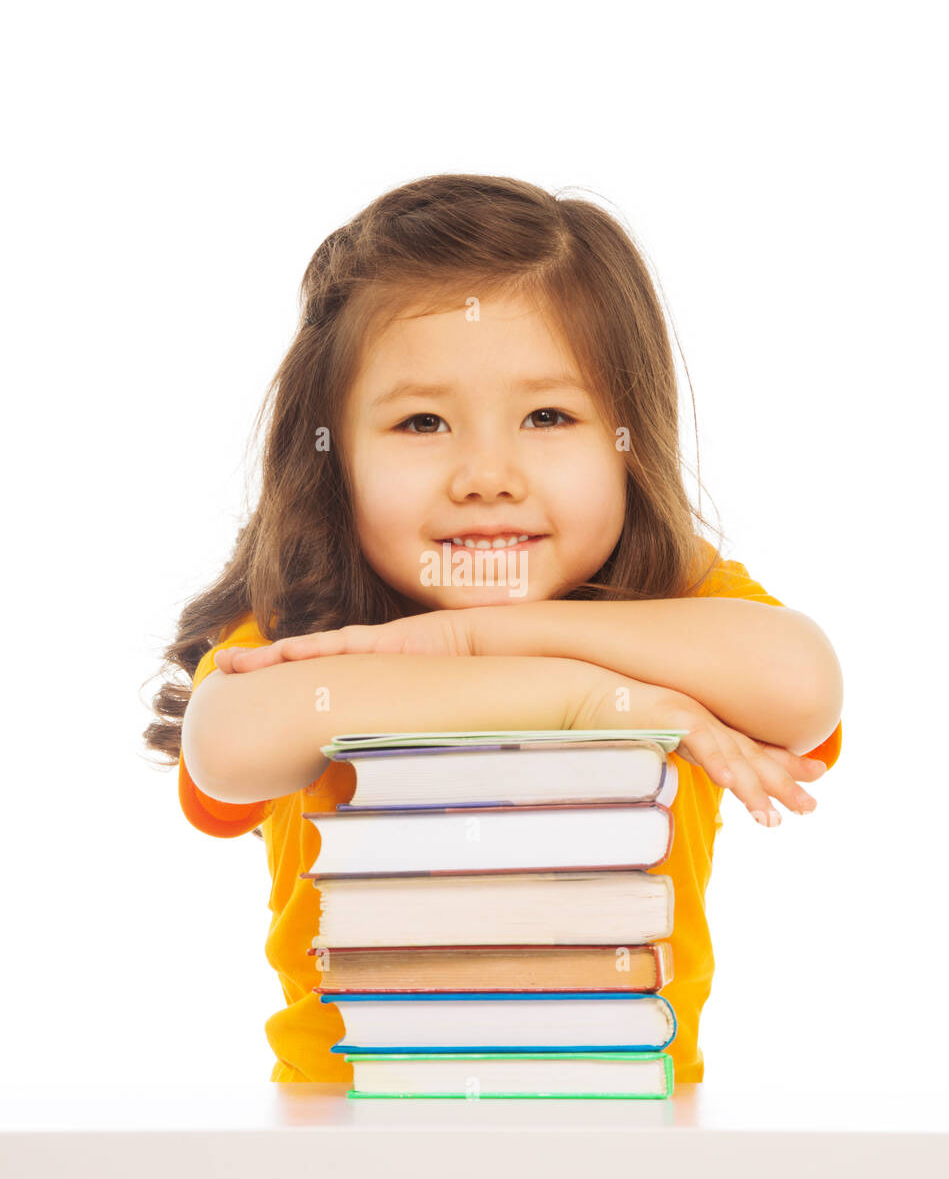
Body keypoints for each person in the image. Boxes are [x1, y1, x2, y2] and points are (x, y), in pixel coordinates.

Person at [143, 173, 843, 1085]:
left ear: (630, 441)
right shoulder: (299, 629)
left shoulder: (674, 596)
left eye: (548, 415)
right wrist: (587, 695)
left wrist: (474, 640)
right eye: (421, 421)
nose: (486, 474)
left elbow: (803, 687)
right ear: (333, 457)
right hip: (346, 1134)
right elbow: (229, 747)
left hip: (633, 1126)